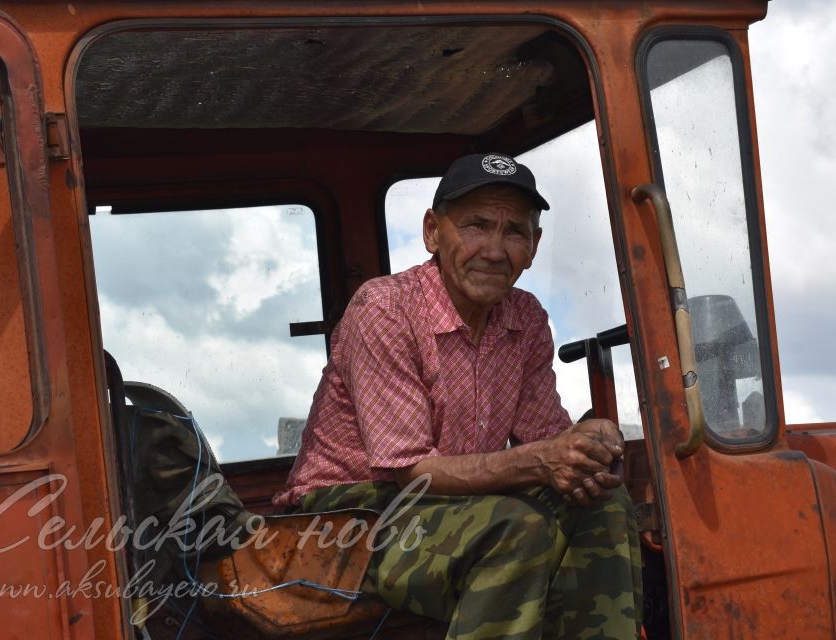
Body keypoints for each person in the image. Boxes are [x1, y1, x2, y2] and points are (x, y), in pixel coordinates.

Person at [274, 152, 642, 639]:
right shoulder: (384, 308)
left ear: (534, 247)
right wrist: (545, 459)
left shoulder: (525, 318)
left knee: (606, 508)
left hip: (449, 503)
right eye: (475, 225)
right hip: (345, 515)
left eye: (515, 232)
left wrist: (588, 446)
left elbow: (547, 440)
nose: (494, 249)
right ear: (433, 232)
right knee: (515, 528)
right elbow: (408, 471)